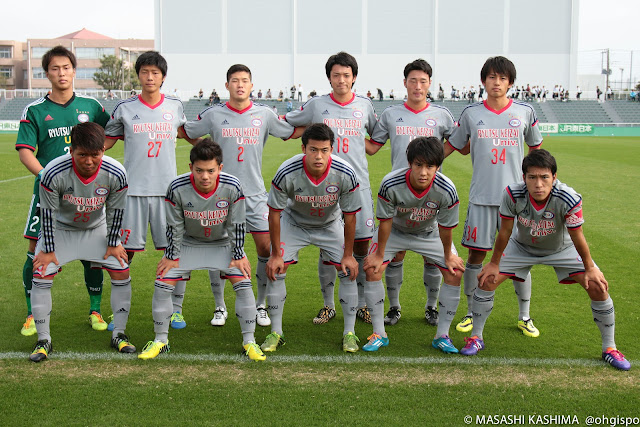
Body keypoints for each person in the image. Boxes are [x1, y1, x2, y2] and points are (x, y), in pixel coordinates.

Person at [465, 149, 631, 371]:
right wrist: (494, 263)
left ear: (554, 177)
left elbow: (577, 236)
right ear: (524, 178)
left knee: (597, 286)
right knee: (487, 280)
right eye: (532, 177)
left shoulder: (568, 197)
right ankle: (476, 337)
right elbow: (505, 231)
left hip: (562, 249)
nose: (538, 184)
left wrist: (590, 267)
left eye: (544, 177)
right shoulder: (512, 194)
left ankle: (610, 348)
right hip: (521, 247)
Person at [182, 64, 300, 327]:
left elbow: (291, 132)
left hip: (255, 194)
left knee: (266, 248)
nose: (240, 85)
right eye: (235, 80)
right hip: (219, 194)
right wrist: (205, 149)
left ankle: (260, 305)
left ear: (251, 85)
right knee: (217, 248)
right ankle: (220, 306)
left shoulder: (264, 114)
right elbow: (186, 131)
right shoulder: (214, 114)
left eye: (244, 80)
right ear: (227, 85)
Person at [137, 139, 265, 361]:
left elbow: (237, 224)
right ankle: (160, 340)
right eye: (199, 170)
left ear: (220, 168)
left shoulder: (233, 186)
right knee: (162, 283)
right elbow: (174, 226)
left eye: (210, 171)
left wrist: (238, 255)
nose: (205, 176)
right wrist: (172, 256)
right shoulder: (177, 187)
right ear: (191, 167)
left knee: (243, 284)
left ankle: (249, 342)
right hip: (189, 244)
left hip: (222, 244)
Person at [445, 56, 543, 338]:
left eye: (502, 78)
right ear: (483, 81)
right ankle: (470, 311)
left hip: (516, 201)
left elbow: (536, 147)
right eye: (491, 77)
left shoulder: (524, 111)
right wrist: (426, 162)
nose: (496, 82)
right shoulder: (471, 113)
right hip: (481, 198)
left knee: (520, 257)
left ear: (510, 83)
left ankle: (524, 315)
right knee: (476, 255)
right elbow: (453, 145)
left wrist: (533, 181)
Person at [15, 45, 110, 337]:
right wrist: (48, 177)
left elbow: (111, 134)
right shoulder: (35, 110)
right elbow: (25, 151)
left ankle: (95, 310)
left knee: (92, 248)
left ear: (74, 70)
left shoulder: (91, 106)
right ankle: (32, 314)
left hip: (87, 191)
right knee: (35, 248)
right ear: (47, 73)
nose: (61, 73)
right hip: (47, 192)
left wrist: (94, 160)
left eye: (66, 67)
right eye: (55, 68)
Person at [105, 51, 199, 330]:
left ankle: (176, 310)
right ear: (138, 75)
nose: (149, 77)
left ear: (163, 77)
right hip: (132, 191)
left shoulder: (175, 106)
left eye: (155, 73)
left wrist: (218, 149)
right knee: (123, 252)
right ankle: (119, 311)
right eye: (144, 72)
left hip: (167, 192)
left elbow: (188, 135)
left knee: (175, 249)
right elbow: (106, 141)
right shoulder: (124, 108)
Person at [29, 122, 135, 362]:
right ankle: (43, 339)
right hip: (61, 229)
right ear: (71, 151)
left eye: (95, 155)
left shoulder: (116, 173)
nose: (89, 161)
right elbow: (47, 213)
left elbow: (116, 210)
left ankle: (119, 334)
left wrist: (113, 242)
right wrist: (48, 250)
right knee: (41, 271)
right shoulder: (53, 172)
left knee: (121, 269)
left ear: (103, 151)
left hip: (96, 229)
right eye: (82, 155)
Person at [285, 51, 377, 325]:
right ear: (329, 78)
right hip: (324, 187)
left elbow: (376, 139)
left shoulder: (365, 105)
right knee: (328, 246)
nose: (341, 80)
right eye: (336, 75)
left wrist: (359, 143)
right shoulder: (317, 105)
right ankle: (328, 305)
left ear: (354, 77)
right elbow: (292, 123)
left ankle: (361, 303)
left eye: (346, 75)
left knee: (361, 245)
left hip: (357, 186)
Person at [367, 59, 456, 326]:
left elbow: (458, 143)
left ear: (430, 84)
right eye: (413, 81)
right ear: (404, 83)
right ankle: (394, 307)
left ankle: (431, 307)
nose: (418, 86)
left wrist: (433, 163)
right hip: (397, 193)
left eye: (423, 81)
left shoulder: (442, 114)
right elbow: (373, 146)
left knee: (432, 257)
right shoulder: (391, 114)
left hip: (430, 194)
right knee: (396, 254)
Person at [260, 123, 361, 353]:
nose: (318, 156)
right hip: (294, 223)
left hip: (330, 224)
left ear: (332, 149)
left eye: (324, 150)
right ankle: (276, 332)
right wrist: (275, 255)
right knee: (276, 269)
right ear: (303, 148)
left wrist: (348, 255)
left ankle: (349, 333)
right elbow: (274, 214)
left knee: (348, 270)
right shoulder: (287, 171)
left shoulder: (345, 173)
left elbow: (350, 216)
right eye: (313, 149)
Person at [362, 137, 465, 353]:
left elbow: (446, 227)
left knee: (454, 272)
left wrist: (448, 256)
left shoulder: (447, 189)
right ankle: (379, 333)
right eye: (418, 165)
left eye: (430, 166)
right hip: (395, 231)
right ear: (410, 163)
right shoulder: (391, 183)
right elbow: (385, 222)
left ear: (438, 166)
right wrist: (379, 255)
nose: (423, 172)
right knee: (372, 268)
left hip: (429, 233)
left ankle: (442, 336)